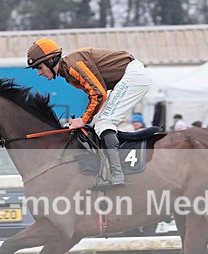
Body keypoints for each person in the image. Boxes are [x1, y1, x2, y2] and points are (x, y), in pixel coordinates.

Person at [26, 38, 151, 189]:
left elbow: (98, 94)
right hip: (126, 78)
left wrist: (83, 119)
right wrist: (86, 119)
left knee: (104, 123)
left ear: (51, 60)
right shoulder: (67, 72)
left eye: (39, 67)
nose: (39, 73)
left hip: (133, 76)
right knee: (98, 124)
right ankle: (107, 171)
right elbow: (97, 94)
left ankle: (117, 174)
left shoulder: (73, 66)